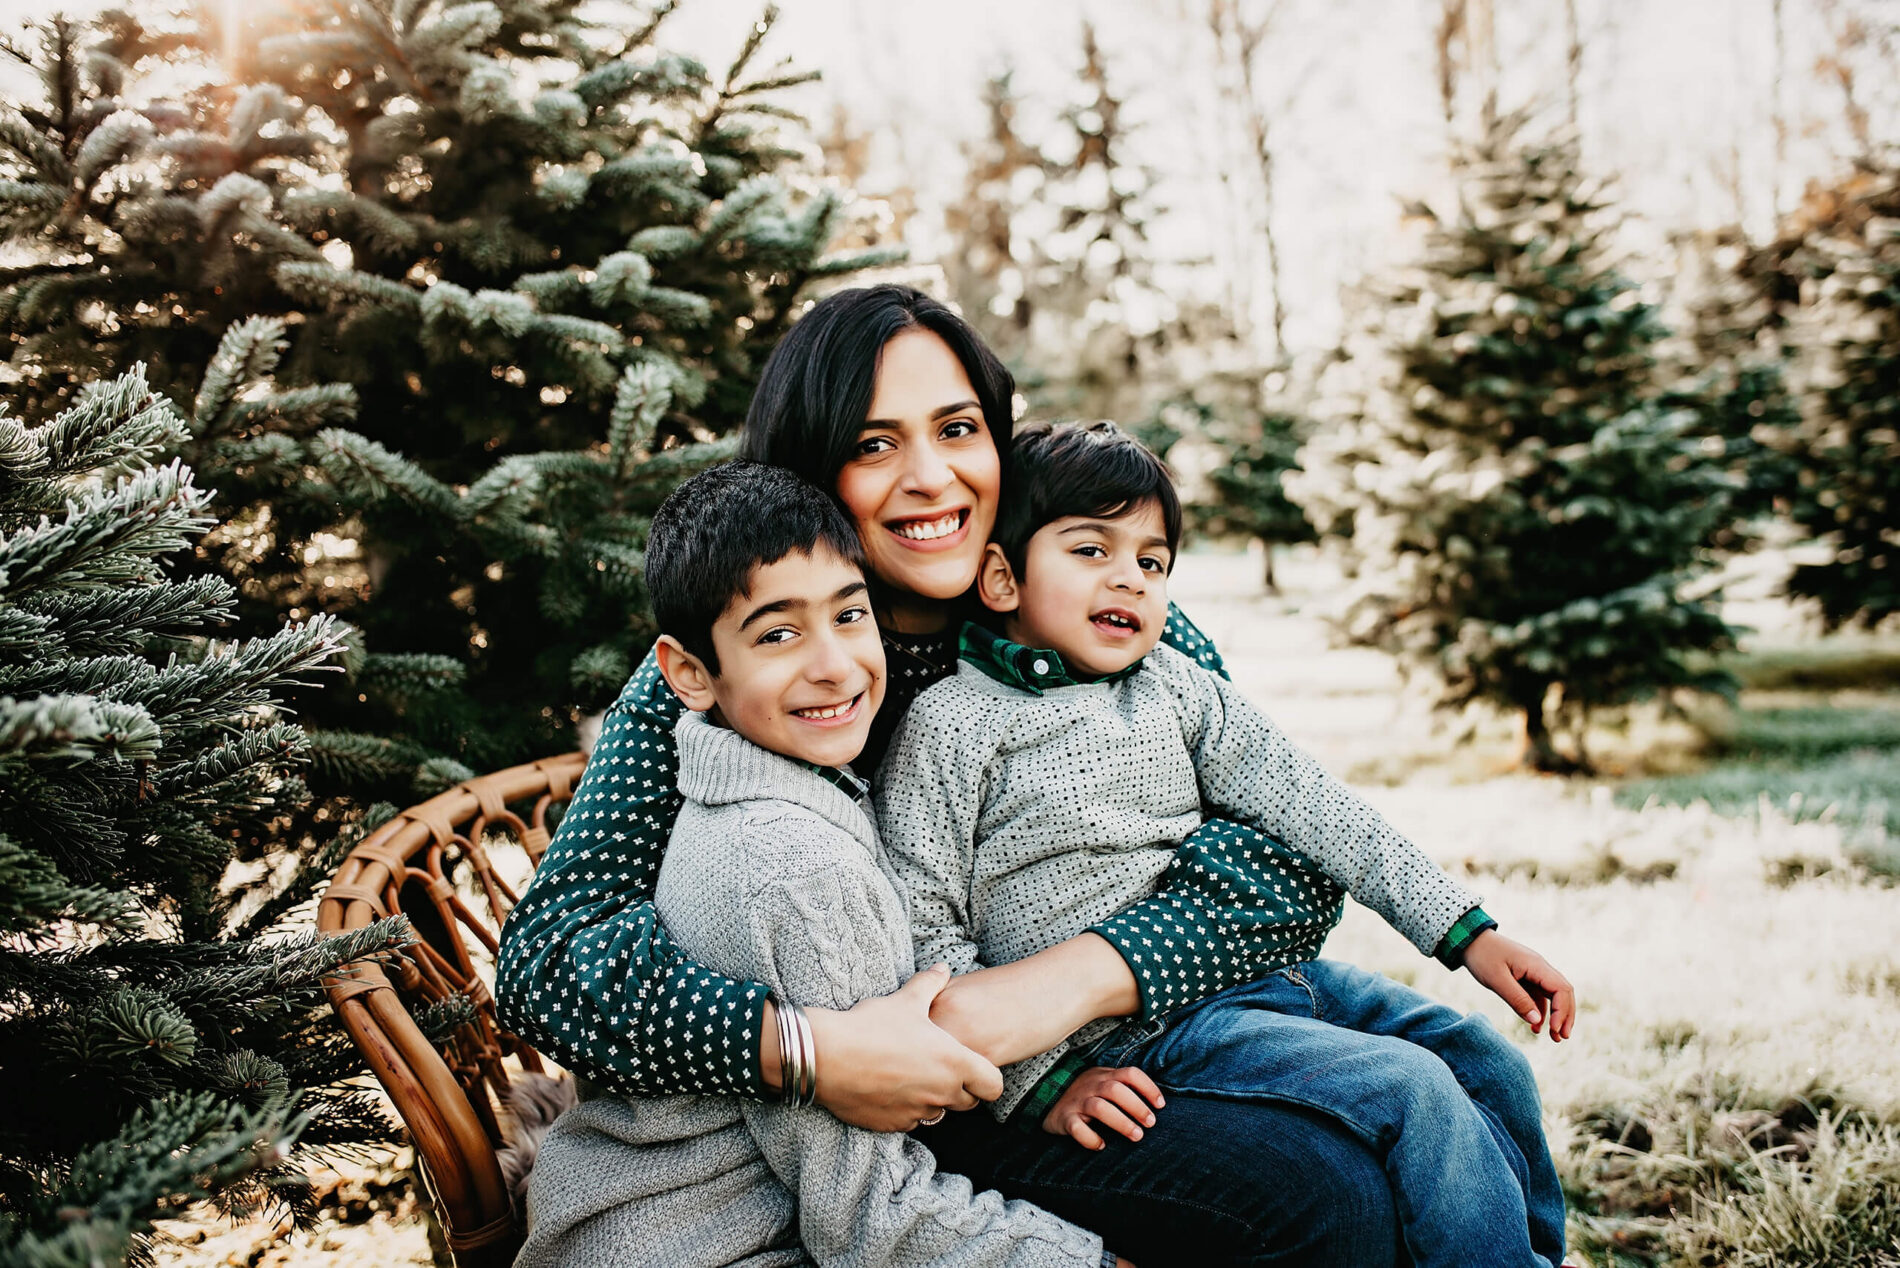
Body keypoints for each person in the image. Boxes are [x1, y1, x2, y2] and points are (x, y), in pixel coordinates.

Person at [499, 284, 1409, 1266]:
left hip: (1123, 1037)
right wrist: (804, 1048)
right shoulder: (745, 664)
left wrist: (1066, 985)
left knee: (1451, 1096)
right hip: (906, 1108)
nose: (931, 477)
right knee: (1324, 1190)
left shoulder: (1079, 601)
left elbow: (1283, 851)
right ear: (810, 475)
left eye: (958, 428)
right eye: (873, 444)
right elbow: (550, 956)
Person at [876, 421, 1575, 1268]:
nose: (1128, 578)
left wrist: (1466, 933)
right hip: (1142, 1032)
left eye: (1152, 561)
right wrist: (1042, 1087)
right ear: (1000, 576)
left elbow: (1316, 807)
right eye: (1091, 549)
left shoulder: (1175, 685)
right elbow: (927, 929)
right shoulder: (953, 724)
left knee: (1484, 1063)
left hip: (1271, 978)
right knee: (1411, 1091)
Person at [516, 463, 1126, 1268]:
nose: (834, 665)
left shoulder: (762, 783)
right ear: (690, 674)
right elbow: (872, 1219)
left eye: (850, 615)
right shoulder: (793, 871)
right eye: (777, 634)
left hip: (649, 1216)